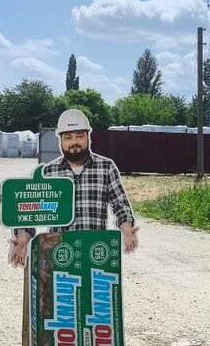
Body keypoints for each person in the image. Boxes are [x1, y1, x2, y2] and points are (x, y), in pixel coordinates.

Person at [8, 109, 138, 266]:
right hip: (60, 254)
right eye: (68, 137)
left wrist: (127, 231)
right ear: (60, 141)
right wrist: (22, 241)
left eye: (80, 136)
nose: (74, 142)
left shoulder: (106, 167)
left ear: (88, 137)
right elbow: (31, 213)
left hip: (95, 252)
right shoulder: (49, 172)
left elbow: (120, 205)